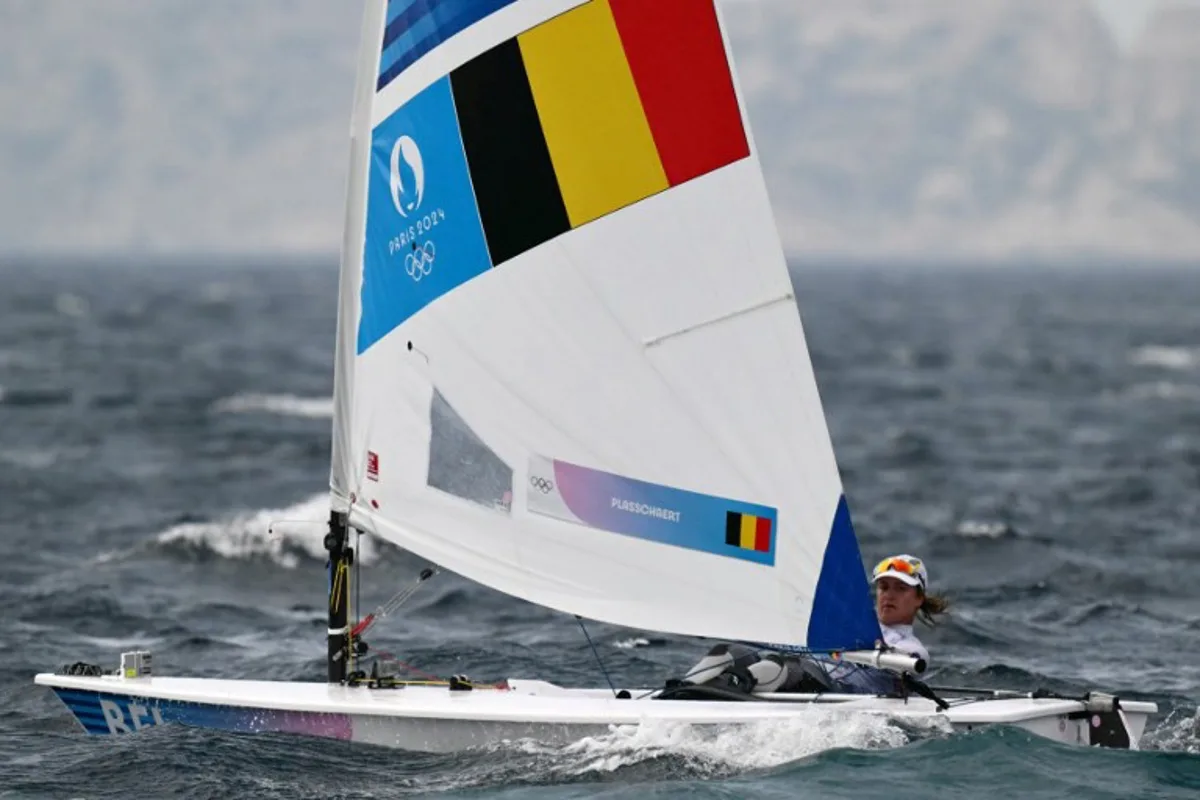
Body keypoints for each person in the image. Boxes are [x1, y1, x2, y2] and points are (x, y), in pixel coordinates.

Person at [669, 553, 948, 698]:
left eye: (901, 588)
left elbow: (908, 664)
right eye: (884, 587)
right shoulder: (853, 624)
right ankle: (678, 693)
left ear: (918, 598)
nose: (889, 594)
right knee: (731, 651)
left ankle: (726, 690)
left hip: (835, 691)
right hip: (804, 674)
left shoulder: (913, 650)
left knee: (780, 667)